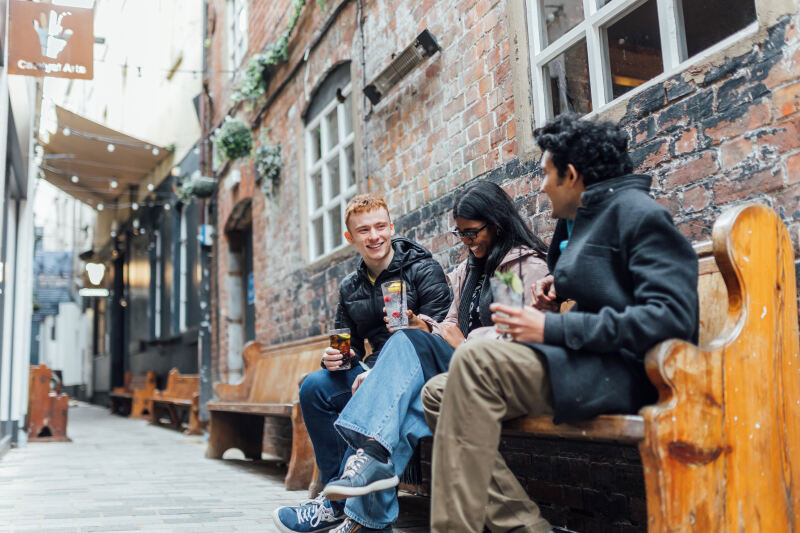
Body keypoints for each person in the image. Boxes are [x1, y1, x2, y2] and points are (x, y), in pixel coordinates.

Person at [420, 113, 700, 533]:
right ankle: (525, 527)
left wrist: (552, 329)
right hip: (586, 363)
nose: (542, 186)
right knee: (438, 391)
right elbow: (605, 292)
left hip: (627, 373)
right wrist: (554, 303)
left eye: (548, 175)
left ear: (572, 175)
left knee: (476, 362)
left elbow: (672, 317)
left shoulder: (640, 215)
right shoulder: (588, 218)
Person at [318, 181, 550, 533]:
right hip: (431, 366)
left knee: (407, 355)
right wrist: (421, 326)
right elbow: (449, 321)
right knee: (324, 385)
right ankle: (361, 510)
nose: (467, 242)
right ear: (350, 237)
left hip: (486, 370)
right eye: (460, 234)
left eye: (472, 233)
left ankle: (357, 483)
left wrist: (460, 343)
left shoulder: (509, 268)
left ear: (497, 223)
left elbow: (511, 337)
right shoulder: (470, 268)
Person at [273, 193, 451, 533]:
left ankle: (336, 504)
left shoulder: (421, 269)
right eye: (364, 230)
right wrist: (335, 359)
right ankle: (335, 492)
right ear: (350, 238)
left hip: (419, 372)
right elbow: (347, 343)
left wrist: (416, 324)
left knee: (379, 377)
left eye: (381, 226)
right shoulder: (350, 286)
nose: (375, 236)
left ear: (392, 227)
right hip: (371, 369)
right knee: (315, 387)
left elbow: (441, 332)